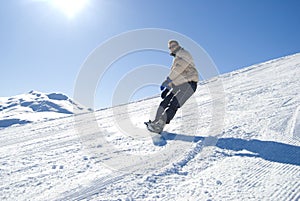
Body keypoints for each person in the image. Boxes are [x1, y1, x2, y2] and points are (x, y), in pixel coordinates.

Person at [146, 40, 199, 133]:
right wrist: (168, 87)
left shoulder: (183, 54)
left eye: (173, 46)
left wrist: (168, 80)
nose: (172, 48)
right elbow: (177, 74)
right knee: (165, 101)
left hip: (189, 84)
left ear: (178, 45)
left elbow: (179, 69)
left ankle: (159, 125)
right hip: (179, 85)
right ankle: (155, 121)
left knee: (174, 104)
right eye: (170, 47)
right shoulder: (176, 57)